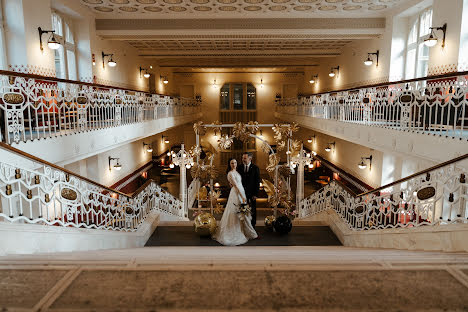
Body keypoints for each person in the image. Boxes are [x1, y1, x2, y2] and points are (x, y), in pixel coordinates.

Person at [213, 158, 257, 246]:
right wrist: (241, 196)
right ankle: (232, 231)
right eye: (232, 163)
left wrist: (243, 194)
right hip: (236, 193)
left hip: (241, 191)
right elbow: (236, 185)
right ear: (229, 164)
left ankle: (244, 230)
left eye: (235, 162)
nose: (234, 164)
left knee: (242, 212)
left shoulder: (236, 172)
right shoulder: (230, 173)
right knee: (235, 211)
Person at [238, 152, 261, 229]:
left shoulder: (255, 168)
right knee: (241, 208)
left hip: (252, 193)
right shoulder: (239, 167)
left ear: (250, 159)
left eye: (244, 158)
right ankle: (243, 224)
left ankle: (252, 225)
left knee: (252, 209)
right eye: (242, 158)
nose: (243, 160)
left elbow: (257, 182)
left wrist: (255, 194)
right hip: (241, 192)